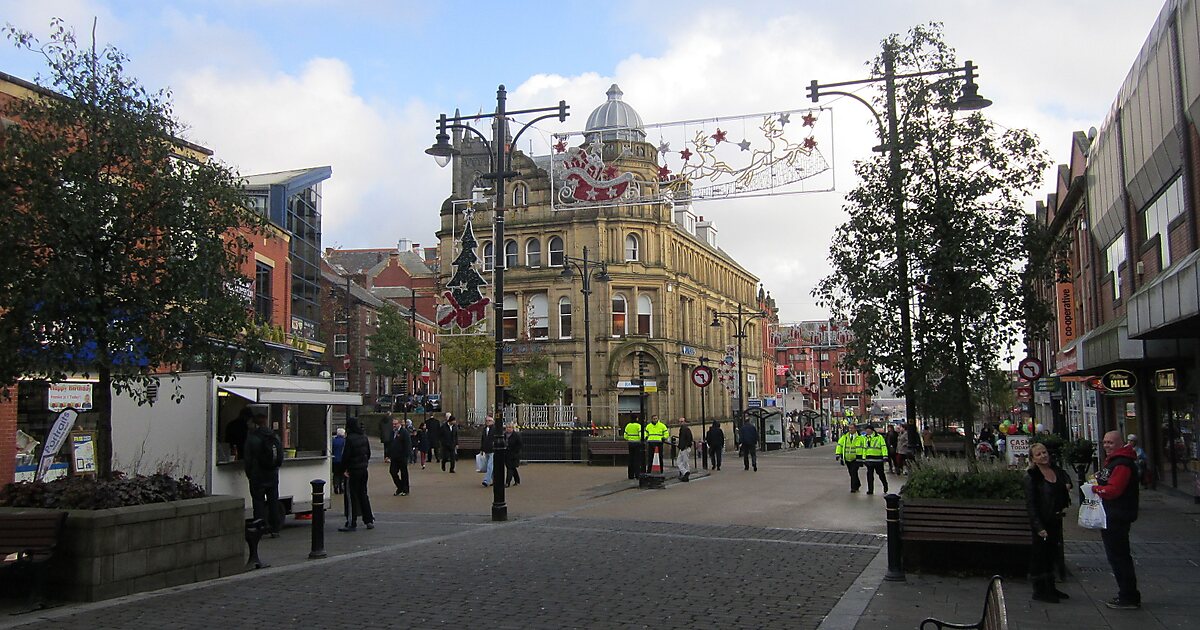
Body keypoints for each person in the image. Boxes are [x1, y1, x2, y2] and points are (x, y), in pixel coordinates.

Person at [1093, 430, 1141, 610]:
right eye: (1105, 442)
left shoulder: (1122, 464)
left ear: (1120, 443)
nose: (1107, 446)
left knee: (1119, 557)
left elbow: (1114, 490)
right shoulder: (1115, 462)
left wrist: (1096, 489)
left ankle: (1128, 596)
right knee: (1118, 556)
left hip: (1117, 516)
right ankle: (1127, 594)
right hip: (1113, 514)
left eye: (1111, 443)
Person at [1024, 442, 1071, 603]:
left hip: (1055, 518)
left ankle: (1051, 587)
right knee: (1040, 556)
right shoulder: (1032, 476)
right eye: (1038, 454)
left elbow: (1064, 478)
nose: (1043, 456)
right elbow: (1031, 504)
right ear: (1033, 459)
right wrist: (1038, 526)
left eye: (1044, 452)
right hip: (1042, 521)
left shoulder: (1055, 470)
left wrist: (1067, 484)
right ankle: (1040, 590)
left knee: (1052, 554)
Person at [243, 412, 284, 536]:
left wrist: (249, 473)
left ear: (255, 424)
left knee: (258, 502)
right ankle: (275, 529)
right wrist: (275, 468)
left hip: (257, 475)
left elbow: (247, 458)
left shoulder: (252, 438)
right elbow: (280, 456)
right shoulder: (274, 436)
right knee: (273, 502)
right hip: (272, 474)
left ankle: (260, 529)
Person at [339, 417, 374, 532]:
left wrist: (343, 469)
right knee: (363, 494)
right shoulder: (364, 437)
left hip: (353, 470)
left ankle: (351, 521)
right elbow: (368, 453)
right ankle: (368, 519)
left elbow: (346, 456)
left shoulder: (349, 439)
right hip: (363, 469)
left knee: (351, 496)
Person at [835, 424, 865, 492]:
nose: (850, 430)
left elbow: (863, 448)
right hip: (847, 458)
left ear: (855, 429)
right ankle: (857, 484)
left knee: (854, 472)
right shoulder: (845, 437)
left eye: (852, 428)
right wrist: (838, 454)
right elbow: (840, 445)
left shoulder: (860, 438)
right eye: (849, 428)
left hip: (856, 458)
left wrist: (863, 457)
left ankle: (853, 488)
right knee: (851, 473)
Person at [387, 417, 411, 496]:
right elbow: (390, 444)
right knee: (392, 472)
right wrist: (388, 455)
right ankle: (400, 486)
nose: (394, 425)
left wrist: (407, 456)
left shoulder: (404, 432)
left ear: (400, 424)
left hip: (402, 456)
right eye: (393, 424)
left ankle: (405, 489)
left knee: (404, 473)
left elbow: (408, 445)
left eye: (396, 424)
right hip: (394, 457)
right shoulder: (392, 432)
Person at [862, 424, 889, 495]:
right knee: (869, 476)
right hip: (868, 460)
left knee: (881, 474)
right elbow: (864, 449)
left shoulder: (879, 437)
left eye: (868, 430)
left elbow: (883, 447)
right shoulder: (864, 438)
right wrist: (863, 458)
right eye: (866, 430)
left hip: (878, 459)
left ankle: (885, 485)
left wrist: (885, 456)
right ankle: (870, 490)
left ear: (871, 430)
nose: (867, 432)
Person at [504, 422, 522, 487]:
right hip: (506, 454)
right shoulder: (504, 435)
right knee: (512, 468)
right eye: (507, 427)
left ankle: (507, 482)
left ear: (512, 428)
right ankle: (517, 480)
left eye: (510, 427)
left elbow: (519, 445)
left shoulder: (516, 435)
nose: (508, 429)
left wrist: (516, 452)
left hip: (514, 454)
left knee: (510, 468)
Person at [480, 415, 497, 486]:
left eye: (489, 420)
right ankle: (495, 480)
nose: (488, 422)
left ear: (493, 421)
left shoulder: (495, 429)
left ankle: (486, 480)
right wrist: (481, 449)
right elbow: (483, 439)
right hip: (486, 449)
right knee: (489, 466)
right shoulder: (484, 429)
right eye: (486, 420)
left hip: (493, 450)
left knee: (490, 466)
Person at [675, 418, 694, 482]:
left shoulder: (686, 429)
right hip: (682, 447)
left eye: (682, 421)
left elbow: (689, 438)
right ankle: (686, 473)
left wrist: (687, 446)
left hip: (684, 448)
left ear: (685, 422)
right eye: (680, 422)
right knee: (680, 462)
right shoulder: (682, 429)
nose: (681, 423)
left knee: (683, 462)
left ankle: (685, 473)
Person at [331, 427, 347, 494]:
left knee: (335, 474)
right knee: (342, 474)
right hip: (342, 460)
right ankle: (341, 487)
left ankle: (335, 486)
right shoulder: (344, 441)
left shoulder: (333, 441)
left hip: (334, 460)